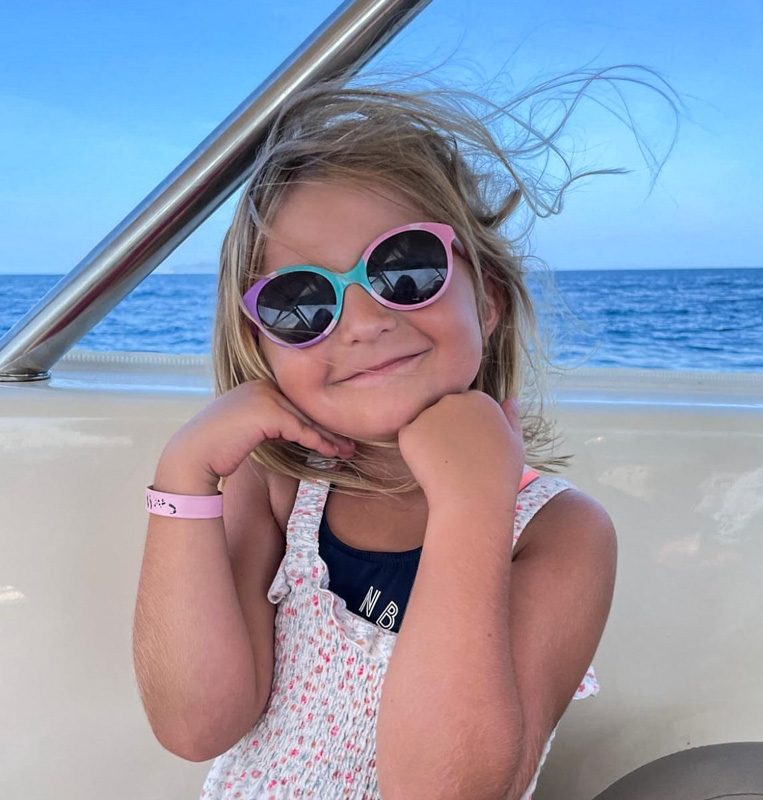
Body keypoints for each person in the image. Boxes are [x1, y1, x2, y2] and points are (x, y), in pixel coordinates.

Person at [132, 76, 622, 800]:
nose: (361, 320)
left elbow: (447, 790)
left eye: (405, 269)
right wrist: (183, 475)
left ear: (485, 300)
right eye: (301, 301)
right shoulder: (273, 491)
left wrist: (470, 503)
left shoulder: (559, 532)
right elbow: (195, 723)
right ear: (262, 342)